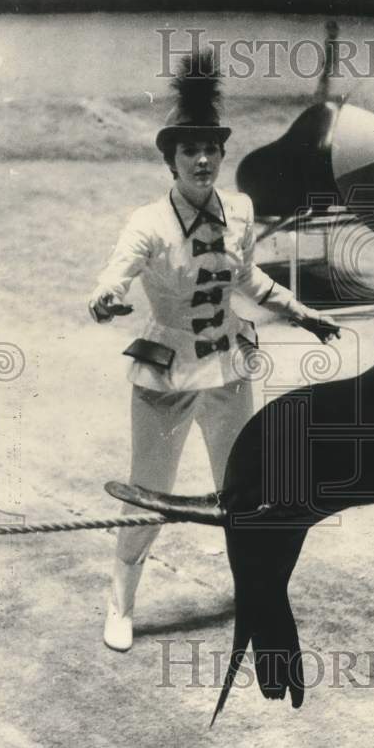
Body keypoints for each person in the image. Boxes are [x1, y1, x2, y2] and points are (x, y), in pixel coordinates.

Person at [88, 50, 340, 652]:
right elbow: (113, 277)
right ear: (170, 160)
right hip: (167, 372)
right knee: (148, 490)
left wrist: (302, 313)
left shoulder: (242, 211)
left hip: (229, 367)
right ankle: (119, 603)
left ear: (222, 154)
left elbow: (248, 281)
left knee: (242, 485)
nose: (202, 160)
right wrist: (105, 299)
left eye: (211, 149)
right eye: (189, 151)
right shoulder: (148, 222)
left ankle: (251, 588)